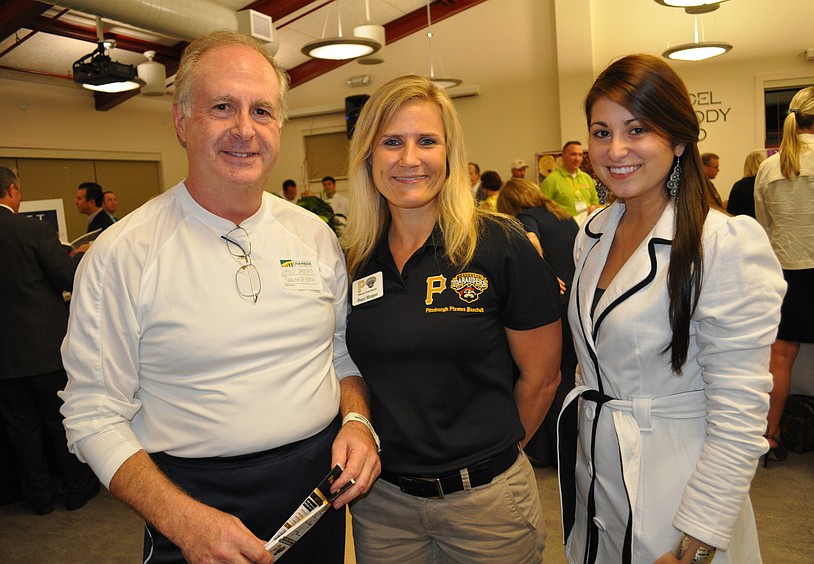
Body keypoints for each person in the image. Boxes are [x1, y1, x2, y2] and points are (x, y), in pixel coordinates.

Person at [60, 31, 380, 564]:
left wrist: (357, 421)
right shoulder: (122, 254)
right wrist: (181, 519)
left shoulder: (314, 236)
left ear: (279, 125)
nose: (244, 129)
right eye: (223, 107)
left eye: (261, 110)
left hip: (316, 494)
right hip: (192, 500)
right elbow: (93, 413)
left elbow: (341, 353)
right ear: (182, 122)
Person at [560, 54, 785, 564]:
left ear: (679, 140)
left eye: (637, 129)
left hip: (678, 494)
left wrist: (696, 540)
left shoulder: (723, 243)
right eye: (601, 131)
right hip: (598, 480)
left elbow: (740, 413)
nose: (615, 149)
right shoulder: (592, 235)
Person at [342, 75, 562, 563]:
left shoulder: (500, 244)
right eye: (392, 142)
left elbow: (543, 377)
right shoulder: (355, 258)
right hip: (384, 508)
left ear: (450, 153)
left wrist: (488, 464)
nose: (409, 158)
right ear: (369, 156)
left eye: (427, 141)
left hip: (487, 507)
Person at [754, 85, 814, 480]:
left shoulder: (768, 167)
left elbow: (764, 227)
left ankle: (771, 438)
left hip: (784, 271)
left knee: (779, 356)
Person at [0, 166, 100, 516]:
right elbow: (70, 277)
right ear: (13, 191)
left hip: (4, 359)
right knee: (60, 422)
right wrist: (81, 257)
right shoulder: (32, 230)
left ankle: (39, 498)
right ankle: (76, 490)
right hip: (44, 349)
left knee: (21, 429)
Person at [496, 177, 579, 469]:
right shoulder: (564, 216)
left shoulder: (525, 219)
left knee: (543, 381)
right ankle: (569, 450)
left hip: (548, 310)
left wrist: (540, 273)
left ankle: (548, 452)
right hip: (574, 306)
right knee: (567, 380)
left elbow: (530, 241)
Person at [540, 141, 599, 222]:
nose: (577, 159)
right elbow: (543, 208)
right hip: (563, 227)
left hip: (586, 224)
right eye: (573, 154)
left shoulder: (586, 178)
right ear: (563, 156)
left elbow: (595, 201)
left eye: (580, 155)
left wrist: (593, 208)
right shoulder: (551, 180)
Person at [726, 151, 765, 218]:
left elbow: (731, 212)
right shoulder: (765, 184)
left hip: (744, 225)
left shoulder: (739, 186)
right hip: (764, 225)